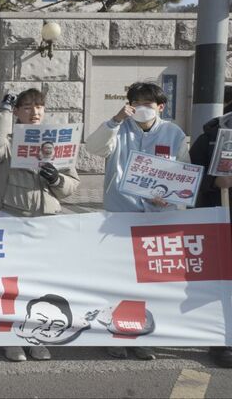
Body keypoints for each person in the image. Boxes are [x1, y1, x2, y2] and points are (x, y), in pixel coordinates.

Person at [86, 81, 189, 361]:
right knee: (118, 277)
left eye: (148, 103)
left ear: (161, 107)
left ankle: (143, 335)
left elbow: (184, 175)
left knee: (149, 280)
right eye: (136, 103)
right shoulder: (119, 129)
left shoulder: (174, 133)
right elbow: (94, 148)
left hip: (157, 219)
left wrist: (170, 198)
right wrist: (115, 120)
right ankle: (116, 333)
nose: (142, 108)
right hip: (120, 216)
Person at [0, 88, 79, 362]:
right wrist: (3, 111)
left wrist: (57, 179)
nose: (34, 112)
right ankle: (10, 339)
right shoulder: (8, 141)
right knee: (10, 282)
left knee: (39, 283)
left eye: (39, 107)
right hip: (11, 216)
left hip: (46, 220)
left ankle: (37, 337)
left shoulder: (56, 142)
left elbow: (71, 184)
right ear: (17, 112)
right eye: (27, 107)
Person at [188, 99, 232, 368]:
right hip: (219, 221)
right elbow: (188, 176)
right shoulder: (211, 138)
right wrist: (214, 182)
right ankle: (222, 340)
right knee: (220, 282)